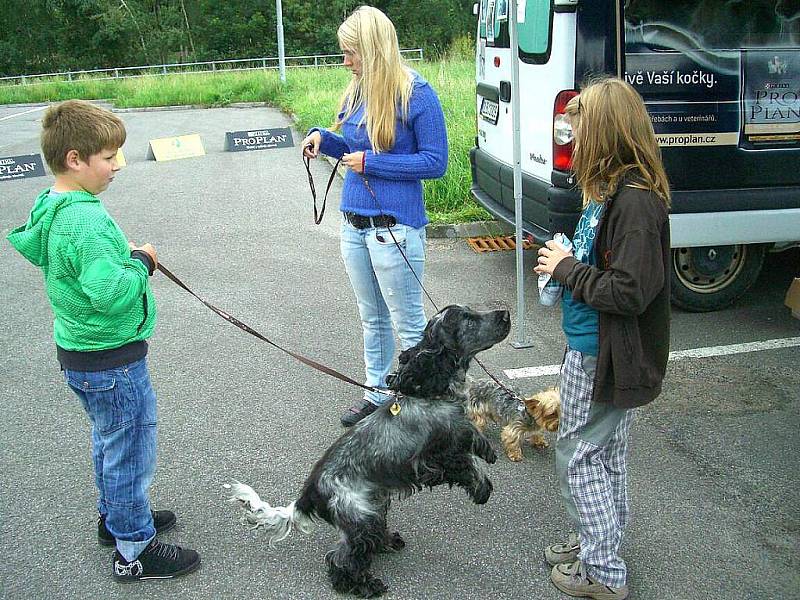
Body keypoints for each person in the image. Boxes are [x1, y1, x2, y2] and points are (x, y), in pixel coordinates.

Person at [6, 100, 201, 582]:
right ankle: (134, 549)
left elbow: (82, 271)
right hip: (111, 360)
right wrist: (142, 263)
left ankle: (117, 519)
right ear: (75, 159)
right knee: (131, 448)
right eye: (109, 157)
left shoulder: (54, 204)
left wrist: (122, 258)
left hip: (81, 355)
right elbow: (110, 293)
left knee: (110, 441)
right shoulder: (86, 220)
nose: (117, 166)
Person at [534, 77, 671, 600]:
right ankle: (599, 541)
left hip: (602, 353)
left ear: (608, 132)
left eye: (580, 126)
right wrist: (569, 261)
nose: (572, 136)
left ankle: (603, 572)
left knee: (579, 456)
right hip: (592, 346)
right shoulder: (610, 190)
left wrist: (567, 269)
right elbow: (607, 267)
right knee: (605, 456)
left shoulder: (634, 202)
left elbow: (632, 291)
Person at [301, 5, 448, 427]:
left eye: (351, 52)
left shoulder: (417, 93)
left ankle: (428, 406)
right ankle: (376, 395)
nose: (345, 61)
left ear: (374, 49)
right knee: (373, 318)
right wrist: (321, 138)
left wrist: (375, 163)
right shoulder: (356, 90)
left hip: (394, 229)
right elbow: (349, 149)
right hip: (353, 223)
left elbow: (435, 162)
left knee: (409, 322)